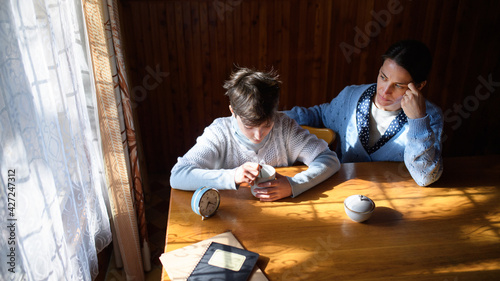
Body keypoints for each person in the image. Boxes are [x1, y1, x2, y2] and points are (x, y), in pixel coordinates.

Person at [285, 39, 443, 186]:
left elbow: (425, 177)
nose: (385, 90)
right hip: (343, 191)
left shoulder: (430, 116)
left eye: (398, 86)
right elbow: (319, 114)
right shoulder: (351, 97)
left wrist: (417, 121)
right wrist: (272, 117)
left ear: (419, 86)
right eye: (383, 77)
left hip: (394, 201)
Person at [170, 67, 340, 201]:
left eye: (266, 125)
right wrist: (233, 175)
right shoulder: (219, 133)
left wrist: (293, 184)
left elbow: (329, 159)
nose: (259, 136)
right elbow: (178, 175)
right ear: (233, 112)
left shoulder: (283, 126)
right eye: (249, 127)